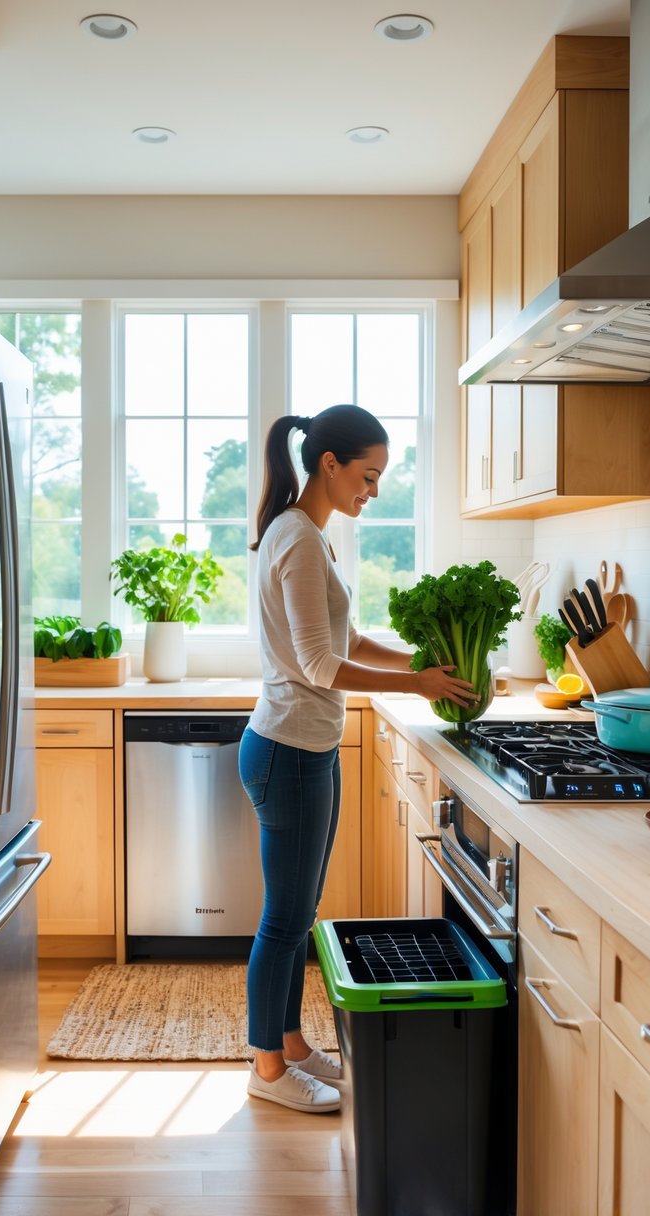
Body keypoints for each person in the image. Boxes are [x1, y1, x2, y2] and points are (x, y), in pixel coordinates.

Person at [239, 403, 477, 1114]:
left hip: (299, 746)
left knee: (299, 911)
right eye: (367, 477)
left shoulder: (306, 533)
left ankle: (292, 1043)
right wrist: (417, 683)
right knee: (284, 920)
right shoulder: (301, 539)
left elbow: (345, 636)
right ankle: (267, 1070)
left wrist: (420, 661)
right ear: (329, 465)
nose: (372, 492)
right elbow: (318, 663)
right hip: (289, 749)